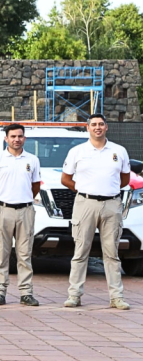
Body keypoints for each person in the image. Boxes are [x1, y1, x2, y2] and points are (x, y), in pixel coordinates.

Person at [61, 113, 131, 310]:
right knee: (81, 251)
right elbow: (65, 179)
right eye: (94, 125)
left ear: (106, 127)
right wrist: (85, 190)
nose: (98, 128)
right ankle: (74, 295)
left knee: (112, 252)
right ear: (87, 128)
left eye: (101, 124)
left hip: (111, 205)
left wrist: (108, 191)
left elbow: (124, 179)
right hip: (85, 204)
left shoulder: (119, 151)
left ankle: (116, 297)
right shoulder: (77, 151)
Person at [0, 123, 41, 306]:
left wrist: (23, 200)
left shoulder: (32, 160)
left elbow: (35, 186)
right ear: (6, 138)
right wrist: (4, 200)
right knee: (2, 252)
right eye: (13, 136)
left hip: (25, 210)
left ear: (24, 138)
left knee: (25, 253)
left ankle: (26, 292)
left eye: (20, 136)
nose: (16, 140)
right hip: (3, 210)